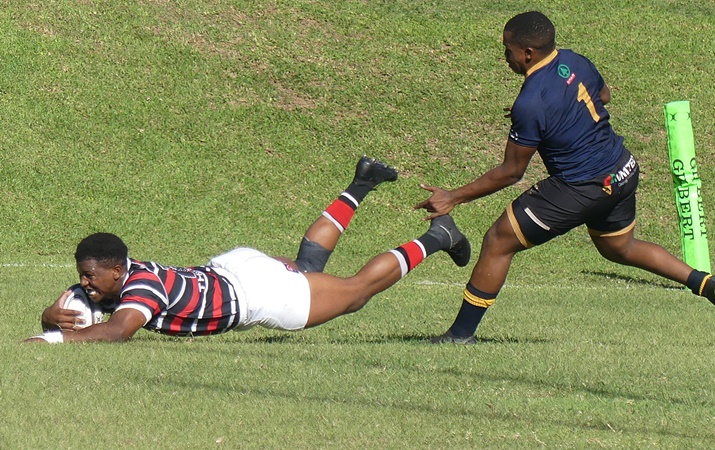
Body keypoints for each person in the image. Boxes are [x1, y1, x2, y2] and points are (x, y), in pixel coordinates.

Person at [415, 11, 715, 344]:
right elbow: (603, 97)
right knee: (620, 247)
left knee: (498, 240)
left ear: (527, 53)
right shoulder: (576, 61)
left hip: (583, 186)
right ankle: (708, 283)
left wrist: (454, 196)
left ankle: (459, 335)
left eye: (507, 49)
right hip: (621, 170)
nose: (505, 57)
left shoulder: (531, 102)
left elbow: (511, 172)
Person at [27, 156, 471, 343]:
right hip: (235, 267)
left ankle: (437, 237)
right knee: (307, 266)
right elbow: (83, 305)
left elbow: (117, 332)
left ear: (118, 272)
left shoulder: (140, 289)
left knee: (355, 293)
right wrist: (51, 315)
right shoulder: (120, 277)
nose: (85, 285)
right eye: (83, 276)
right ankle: (361, 183)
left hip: (254, 294)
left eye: (91, 277)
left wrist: (53, 339)